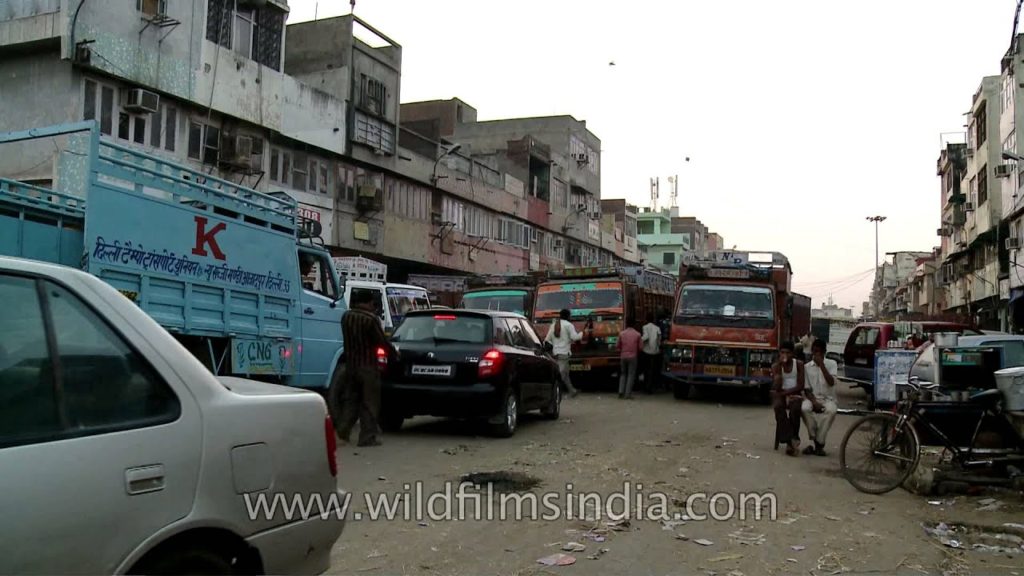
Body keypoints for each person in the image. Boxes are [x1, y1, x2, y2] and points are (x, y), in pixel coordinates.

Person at [336, 289, 393, 447]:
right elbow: (381, 342)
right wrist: (394, 353)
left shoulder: (346, 317)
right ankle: (367, 437)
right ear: (370, 302)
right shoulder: (370, 319)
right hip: (368, 367)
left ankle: (342, 433)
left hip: (350, 365)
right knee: (369, 403)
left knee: (350, 401)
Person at [801, 338, 839, 456]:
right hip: (813, 398)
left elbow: (831, 382)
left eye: (819, 352)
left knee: (831, 410)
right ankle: (815, 437)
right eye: (814, 351)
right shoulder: (807, 367)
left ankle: (819, 441)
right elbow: (807, 389)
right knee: (804, 408)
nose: (816, 354)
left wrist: (822, 365)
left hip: (828, 399)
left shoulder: (832, 364)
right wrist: (814, 402)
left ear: (824, 352)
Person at [771, 341, 805, 456]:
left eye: (787, 353)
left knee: (795, 408)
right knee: (778, 407)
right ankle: (790, 440)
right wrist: (778, 372)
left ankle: (792, 438)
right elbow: (777, 387)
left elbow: (800, 385)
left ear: (793, 354)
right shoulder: (776, 366)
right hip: (782, 393)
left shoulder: (798, 364)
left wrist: (785, 393)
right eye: (782, 352)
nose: (785, 355)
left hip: (794, 393)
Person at [544, 309, 584, 397]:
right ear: (568, 316)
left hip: (556, 353)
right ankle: (553, 393)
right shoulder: (569, 325)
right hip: (564, 353)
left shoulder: (553, 325)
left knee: (566, 374)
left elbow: (547, 339)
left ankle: (572, 391)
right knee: (561, 375)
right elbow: (575, 338)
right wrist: (582, 333)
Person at [617, 320, 643, 399]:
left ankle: (621, 391)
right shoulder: (637, 334)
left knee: (623, 374)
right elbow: (640, 347)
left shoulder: (621, 334)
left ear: (626, 324)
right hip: (633, 357)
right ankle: (627, 394)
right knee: (631, 375)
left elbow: (618, 346)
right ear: (634, 325)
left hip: (623, 356)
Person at [641, 313, 662, 394]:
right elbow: (659, 340)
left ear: (646, 319)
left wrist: (640, 340)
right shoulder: (657, 328)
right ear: (653, 319)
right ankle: (652, 386)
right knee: (653, 370)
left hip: (646, 351)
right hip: (655, 352)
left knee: (646, 369)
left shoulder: (645, 327)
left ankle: (646, 387)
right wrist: (658, 347)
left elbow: (646, 337)